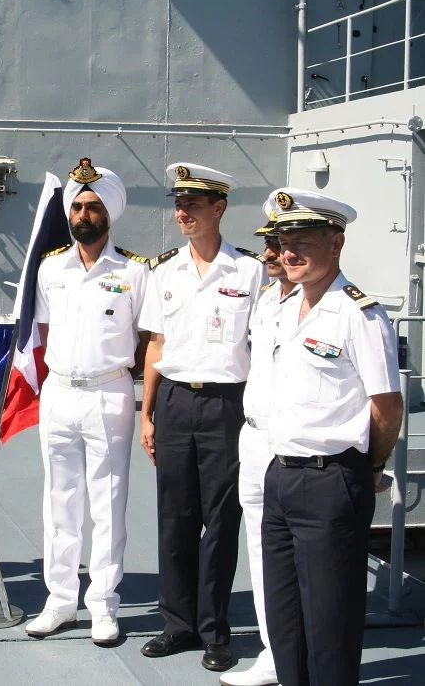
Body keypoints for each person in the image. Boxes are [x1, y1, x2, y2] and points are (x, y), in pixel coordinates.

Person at [263, 188, 401, 686]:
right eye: (284, 238)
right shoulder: (286, 307)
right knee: (284, 621)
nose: (289, 249)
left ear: (336, 243)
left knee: (330, 623)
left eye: (303, 238)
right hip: (280, 475)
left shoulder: (360, 315)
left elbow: (387, 407)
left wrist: (367, 467)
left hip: (330, 482)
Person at [138, 163, 266, 671]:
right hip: (173, 401)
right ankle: (178, 625)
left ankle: (215, 630)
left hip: (226, 405)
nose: (182, 212)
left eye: (193, 204)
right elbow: (155, 345)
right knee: (174, 518)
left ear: (219, 208)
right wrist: (147, 414)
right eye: (179, 204)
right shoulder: (163, 271)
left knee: (220, 522)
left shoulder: (250, 272)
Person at [24, 158, 148, 644]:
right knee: (59, 501)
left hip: (110, 391)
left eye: (93, 206)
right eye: (76, 205)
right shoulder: (50, 268)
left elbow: (147, 339)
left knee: (108, 502)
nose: (83, 213)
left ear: (109, 214)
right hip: (59, 391)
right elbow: (45, 331)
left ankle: (103, 604)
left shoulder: (136, 272)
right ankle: (59, 601)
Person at [221, 204, 294, 686]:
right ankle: (274, 652)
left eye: (280, 244)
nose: (269, 253)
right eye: (268, 243)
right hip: (253, 437)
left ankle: (303, 652)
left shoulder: (332, 304)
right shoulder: (267, 300)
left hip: (295, 445)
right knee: (261, 549)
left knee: (300, 555)